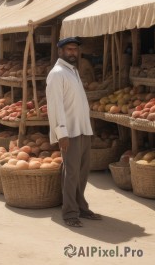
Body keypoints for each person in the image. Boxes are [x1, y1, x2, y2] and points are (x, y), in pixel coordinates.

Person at [46, 37, 101, 228]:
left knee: (82, 172)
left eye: (75, 50)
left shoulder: (73, 71)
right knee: (71, 173)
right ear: (60, 51)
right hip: (69, 131)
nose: (72, 53)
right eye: (69, 49)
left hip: (82, 129)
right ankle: (69, 213)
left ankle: (81, 207)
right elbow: (55, 106)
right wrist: (61, 133)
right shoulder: (57, 74)